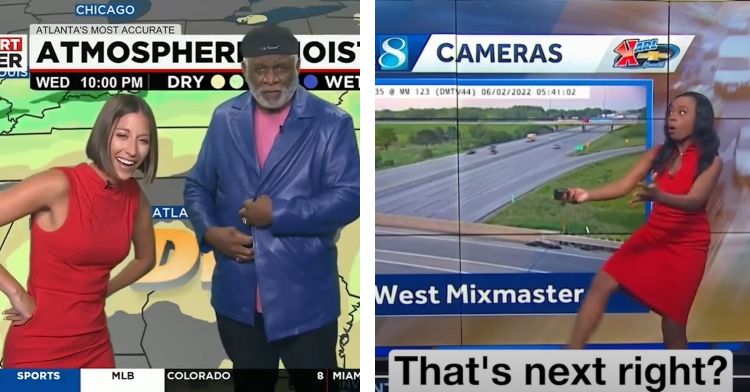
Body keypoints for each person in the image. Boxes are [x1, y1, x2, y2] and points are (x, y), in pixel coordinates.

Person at [183, 24, 359, 392]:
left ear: (298, 67)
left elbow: (349, 197)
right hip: (238, 301)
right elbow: (198, 185)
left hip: (306, 301)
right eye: (260, 69)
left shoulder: (332, 123)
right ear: (243, 71)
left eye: (281, 67)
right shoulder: (223, 117)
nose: (271, 79)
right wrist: (210, 232)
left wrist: (278, 213)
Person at [0, 94, 159, 368]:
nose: (132, 150)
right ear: (103, 134)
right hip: (39, 348)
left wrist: (103, 291)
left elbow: (146, 259)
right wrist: (15, 293)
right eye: (122, 135)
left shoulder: (135, 198)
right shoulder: (58, 184)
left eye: (142, 140)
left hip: (95, 347)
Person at [563, 91, 721, 349]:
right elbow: (623, 185)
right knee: (602, 283)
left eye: (682, 112)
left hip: (687, 245)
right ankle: (571, 353)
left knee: (672, 327)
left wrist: (661, 195)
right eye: (671, 111)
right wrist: (587, 194)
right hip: (653, 236)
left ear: (700, 121)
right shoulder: (657, 154)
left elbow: (695, 201)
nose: (672, 117)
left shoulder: (711, 161)